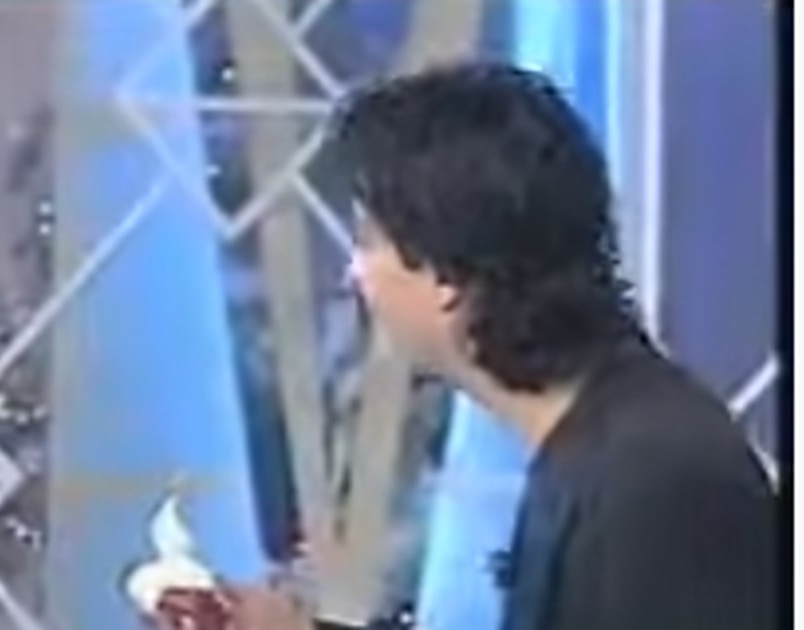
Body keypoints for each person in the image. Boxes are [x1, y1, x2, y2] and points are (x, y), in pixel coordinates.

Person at [216, 62, 778, 630]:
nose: (352, 275)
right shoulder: (608, 446)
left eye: (367, 242)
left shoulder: (653, 482)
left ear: (445, 273)